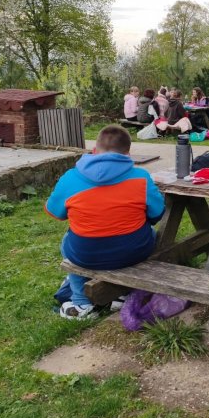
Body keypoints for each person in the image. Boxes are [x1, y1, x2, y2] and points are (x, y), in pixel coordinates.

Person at [46, 125, 165, 319]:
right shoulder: (141, 177)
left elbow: (55, 212)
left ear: (94, 150)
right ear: (128, 154)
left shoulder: (70, 177)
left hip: (85, 254)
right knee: (150, 233)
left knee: (68, 240)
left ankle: (81, 303)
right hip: (135, 251)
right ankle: (123, 293)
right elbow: (157, 213)